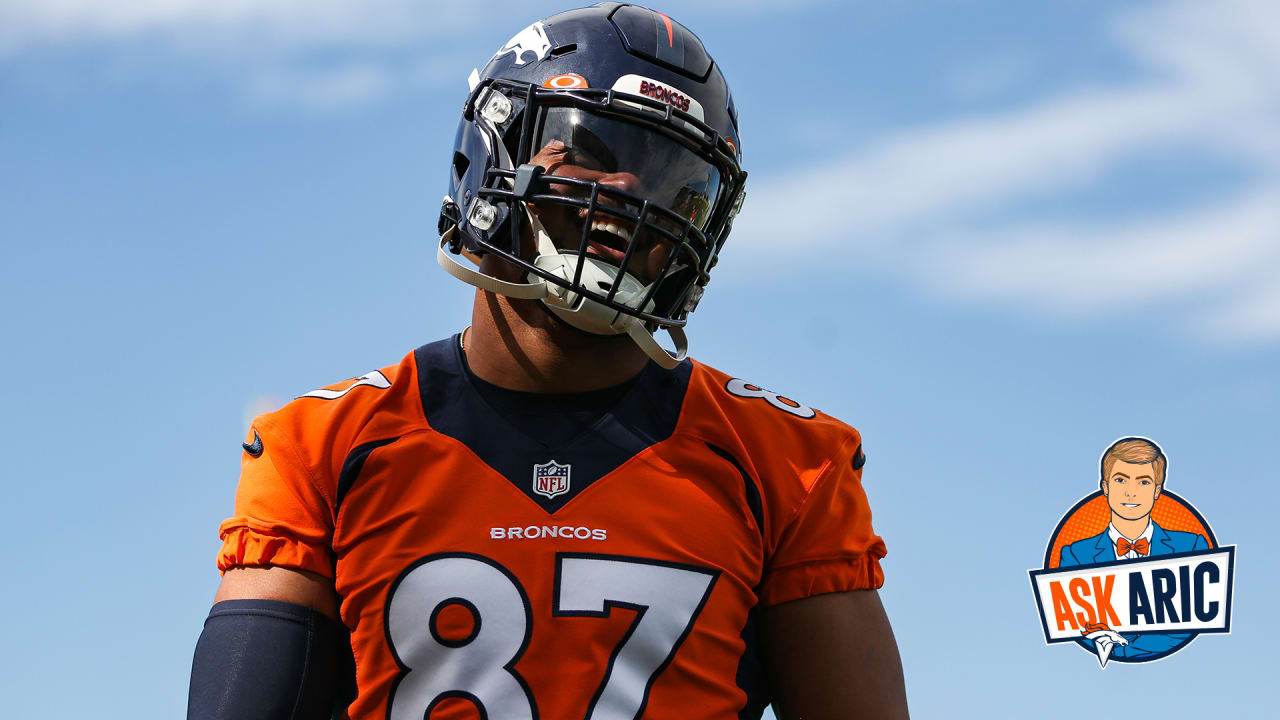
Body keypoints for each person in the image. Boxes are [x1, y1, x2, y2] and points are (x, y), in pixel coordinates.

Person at [188, 4, 908, 719]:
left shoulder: (791, 464)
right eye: (589, 147)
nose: (629, 190)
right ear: (490, 153)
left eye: (671, 179)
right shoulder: (321, 446)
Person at [1059, 436, 1208, 660]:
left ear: (1158, 490)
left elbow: (1190, 623)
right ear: (1105, 487)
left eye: (1143, 482)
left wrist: (1119, 647)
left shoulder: (1192, 547)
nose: (1131, 492)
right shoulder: (1075, 556)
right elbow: (1077, 627)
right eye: (1121, 480)